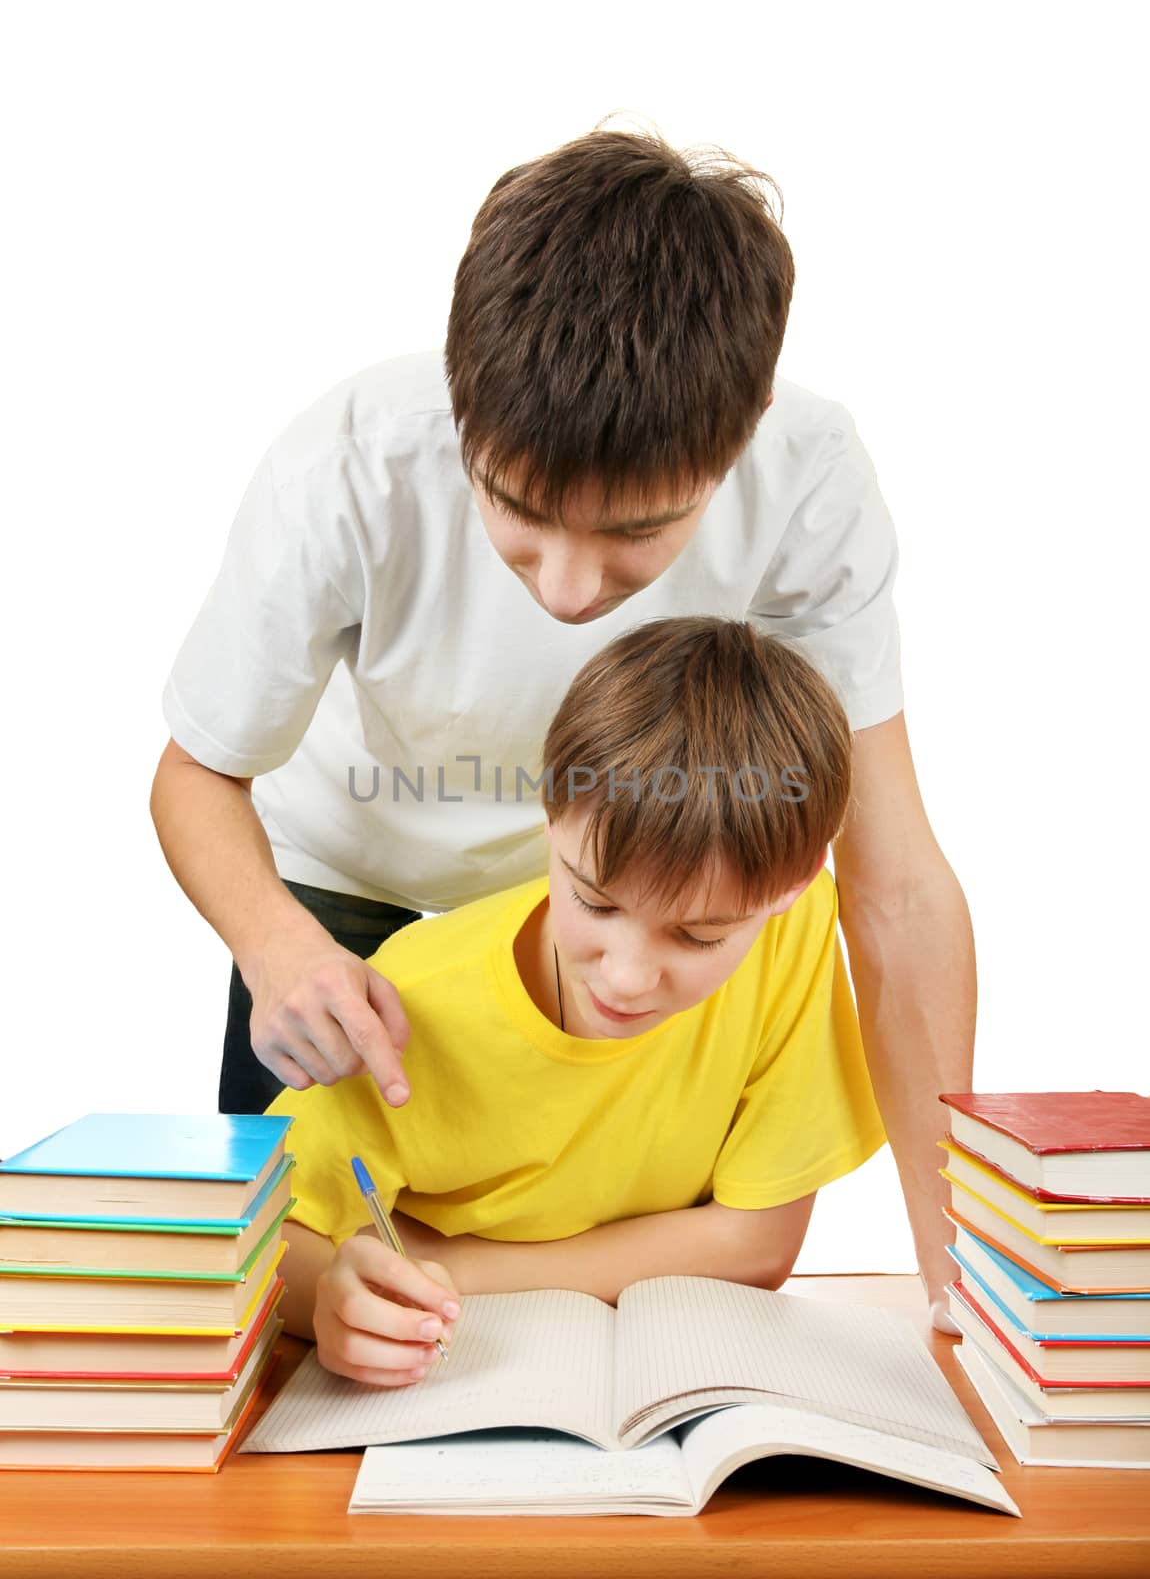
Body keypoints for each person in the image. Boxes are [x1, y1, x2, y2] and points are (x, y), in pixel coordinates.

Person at [150, 125, 972, 1330]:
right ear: (460, 397)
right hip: (351, 898)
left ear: (736, 440)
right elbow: (195, 773)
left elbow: (891, 882)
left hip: (625, 909)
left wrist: (955, 1262)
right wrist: (277, 947)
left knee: (638, 1303)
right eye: (520, 512)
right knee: (283, 1300)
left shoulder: (807, 480)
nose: (570, 588)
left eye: (636, 533)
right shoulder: (349, 465)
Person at [270, 619, 886, 1381]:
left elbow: (758, 1246)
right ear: (551, 812)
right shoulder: (410, 1004)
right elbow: (266, 1237)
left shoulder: (792, 929)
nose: (625, 980)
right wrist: (327, 1299)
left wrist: (449, 1264)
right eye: (594, 903)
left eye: (697, 937)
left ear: (795, 883)